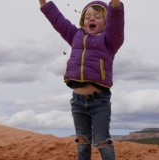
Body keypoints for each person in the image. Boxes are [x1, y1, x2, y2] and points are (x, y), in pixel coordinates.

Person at [39, 0, 124, 159]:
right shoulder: (75, 35)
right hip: (77, 101)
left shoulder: (110, 40)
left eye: (97, 16)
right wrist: (44, 3)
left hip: (99, 101)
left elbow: (117, 24)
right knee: (82, 141)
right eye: (87, 16)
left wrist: (115, 4)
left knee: (102, 142)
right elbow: (58, 21)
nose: (91, 19)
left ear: (106, 21)